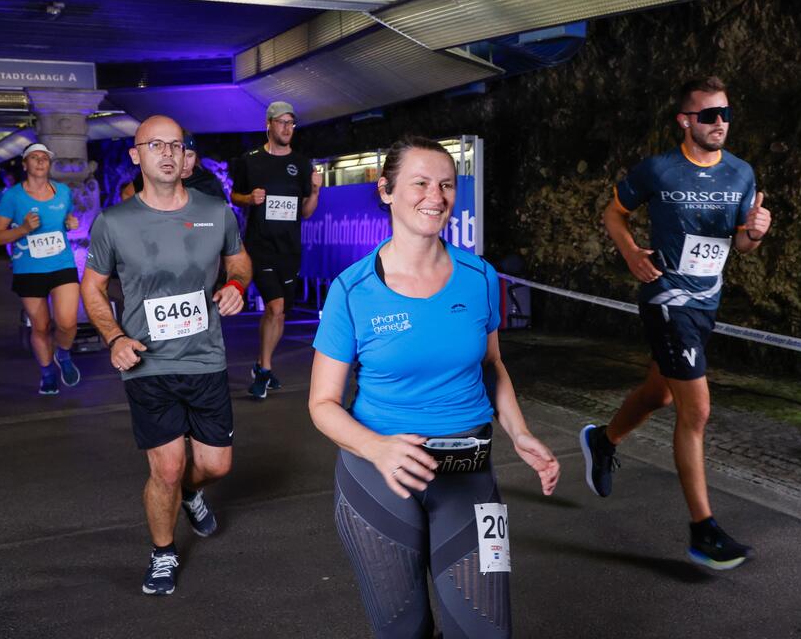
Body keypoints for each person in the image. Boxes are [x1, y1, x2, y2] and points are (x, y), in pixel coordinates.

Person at [308, 136, 560, 638]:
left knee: (487, 629)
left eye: (446, 185)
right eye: (420, 183)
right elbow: (322, 404)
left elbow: (492, 365)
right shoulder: (352, 290)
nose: (436, 196)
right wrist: (376, 448)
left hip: (469, 471)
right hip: (379, 479)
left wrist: (518, 431)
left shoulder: (480, 276)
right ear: (386, 191)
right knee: (404, 631)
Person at [583, 76, 772, 570]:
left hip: (707, 300)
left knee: (659, 394)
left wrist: (756, 233)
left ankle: (603, 441)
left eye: (726, 114)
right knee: (697, 410)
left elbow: (743, 243)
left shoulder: (740, 174)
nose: (719, 124)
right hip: (666, 299)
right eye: (708, 115)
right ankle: (702, 531)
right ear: (685, 121)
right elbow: (614, 213)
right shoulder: (659, 170)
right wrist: (629, 253)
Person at [81, 115, 252, 596]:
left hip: (206, 359)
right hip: (147, 364)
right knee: (167, 467)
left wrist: (236, 283)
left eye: (176, 145)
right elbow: (92, 288)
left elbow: (237, 259)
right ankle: (163, 552)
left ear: (185, 155)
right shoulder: (114, 223)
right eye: (155, 144)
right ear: (136, 155)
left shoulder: (215, 211)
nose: (168, 153)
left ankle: (193, 494)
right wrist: (114, 337)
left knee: (216, 465)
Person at [231, 101, 322, 398]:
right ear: (268, 124)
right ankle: (266, 369)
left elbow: (307, 212)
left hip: (290, 248)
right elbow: (235, 195)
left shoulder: (302, 163)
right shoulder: (251, 159)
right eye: (281, 123)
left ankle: (261, 366)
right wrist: (249, 197)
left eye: (291, 123)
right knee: (275, 306)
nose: (287, 128)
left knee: (281, 313)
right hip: (260, 246)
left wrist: (317, 190)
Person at [0, 143, 82, 395]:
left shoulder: (62, 192)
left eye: (45, 158)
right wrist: (23, 229)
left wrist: (71, 223)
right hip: (29, 269)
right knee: (41, 326)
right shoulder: (12, 196)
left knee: (68, 323)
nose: (40, 162)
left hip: (62, 264)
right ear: (25, 164)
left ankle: (63, 353)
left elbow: (67, 219)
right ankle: (48, 373)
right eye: (34, 158)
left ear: (49, 165)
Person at [121, 132, 225, 202]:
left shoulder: (208, 181)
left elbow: (221, 215)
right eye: (179, 156)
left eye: (189, 156)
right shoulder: (153, 176)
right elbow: (127, 194)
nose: (184, 163)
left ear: (196, 157)